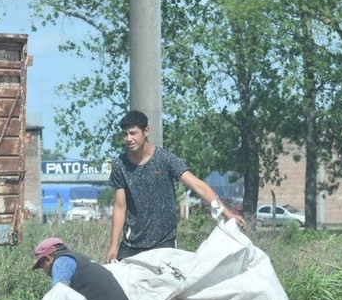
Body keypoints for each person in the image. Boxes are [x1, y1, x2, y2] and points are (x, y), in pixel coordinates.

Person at [104, 110, 244, 263]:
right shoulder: (120, 165)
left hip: (164, 242)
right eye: (125, 134)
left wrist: (228, 214)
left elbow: (198, 186)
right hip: (132, 244)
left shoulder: (165, 159)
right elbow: (120, 206)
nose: (129, 139)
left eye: (133, 133)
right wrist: (113, 246)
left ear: (146, 132)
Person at [31, 237, 135, 300]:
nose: (45, 272)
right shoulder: (79, 259)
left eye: (42, 266)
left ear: (47, 259)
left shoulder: (61, 262)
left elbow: (58, 299)